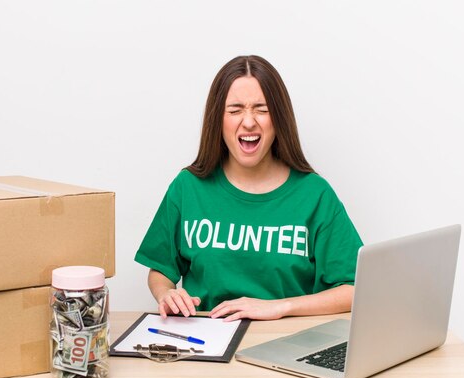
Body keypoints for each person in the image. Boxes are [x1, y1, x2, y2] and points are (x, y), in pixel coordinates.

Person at [134, 55, 363, 322]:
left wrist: (281, 307)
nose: (249, 121)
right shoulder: (187, 187)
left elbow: (354, 288)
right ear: (217, 119)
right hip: (206, 344)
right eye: (235, 110)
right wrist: (166, 294)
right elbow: (161, 270)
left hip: (283, 343)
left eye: (262, 109)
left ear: (279, 118)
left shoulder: (315, 194)